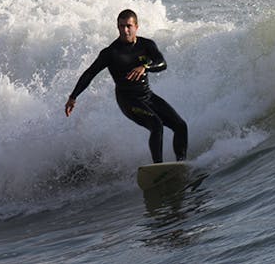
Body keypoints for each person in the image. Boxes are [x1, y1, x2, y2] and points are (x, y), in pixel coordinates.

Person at [64, 9, 188, 164]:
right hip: (127, 100)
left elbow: (162, 63)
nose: (125, 30)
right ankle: (158, 168)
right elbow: (90, 73)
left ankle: (181, 163)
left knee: (181, 126)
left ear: (136, 26)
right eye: (121, 26)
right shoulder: (110, 53)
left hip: (147, 96)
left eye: (128, 26)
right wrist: (73, 97)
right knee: (156, 125)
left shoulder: (147, 45)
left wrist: (145, 67)